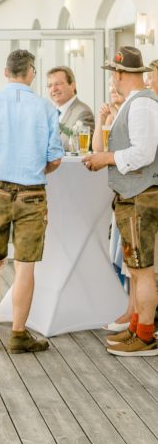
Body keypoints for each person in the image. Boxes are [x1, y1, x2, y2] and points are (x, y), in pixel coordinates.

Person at [0, 49, 63, 353]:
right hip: (31, 192)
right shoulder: (46, 108)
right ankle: (18, 333)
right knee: (25, 267)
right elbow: (54, 160)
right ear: (31, 73)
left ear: (5, 72)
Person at [83, 46, 158, 356]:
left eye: (112, 74)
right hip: (134, 194)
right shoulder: (138, 102)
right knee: (137, 267)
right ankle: (137, 327)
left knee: (142, 269)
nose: (112, 80)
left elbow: (143, 153)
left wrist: (105, 158)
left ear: (119, 74)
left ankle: (145, 336)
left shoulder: (141, 105)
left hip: (141, 195)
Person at [91, 81, 131, 332]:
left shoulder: (130, 117)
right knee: (119, 251)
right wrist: (100, 120)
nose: (112, 93)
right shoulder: (113, 119)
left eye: (116, 89)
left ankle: (132, 310)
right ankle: (123, 307)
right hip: (119, 192)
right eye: (110, 90)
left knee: (127, 255)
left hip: (129, 189)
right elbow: (98, 149)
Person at [47, 65, 94, 152]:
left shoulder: (83, 112)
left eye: (58, 84)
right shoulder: (50, 113)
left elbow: (79, 147)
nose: (53, 89)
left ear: (72, 86)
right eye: (50, 85)